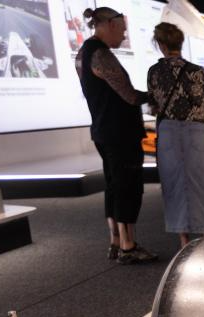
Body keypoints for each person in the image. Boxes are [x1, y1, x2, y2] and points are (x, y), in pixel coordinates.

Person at [75, 6, 156, 264]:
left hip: (104, 130)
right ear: (109, 24)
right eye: (122, 30)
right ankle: (128, 246)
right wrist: (158, 94)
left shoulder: (85, 52)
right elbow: (129, 95)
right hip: (119, 132)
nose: (123, 35)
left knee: (113, 185)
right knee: (127, 187)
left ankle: (116, 241)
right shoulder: (100, 54)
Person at [147, 22, 204, 249]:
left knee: (175, 186)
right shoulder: (198, 71)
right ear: (180, 43)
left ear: (161, 45)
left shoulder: (154, 72)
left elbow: (153, 106)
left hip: (169, 133)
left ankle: (184, 242)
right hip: (198, 131)